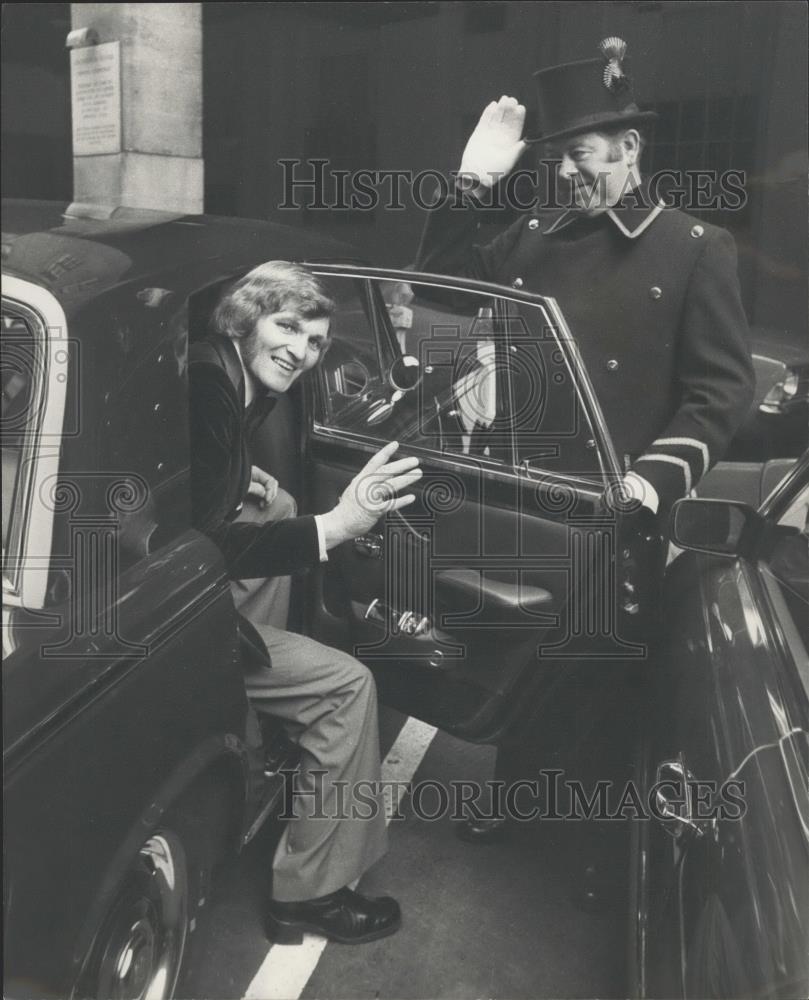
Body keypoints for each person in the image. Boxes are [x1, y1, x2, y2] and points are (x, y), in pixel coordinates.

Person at [415, 37, 755, 841]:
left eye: (579, 155)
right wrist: (470, 184)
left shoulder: (694, 249)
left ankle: (597, 848)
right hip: (528, 494)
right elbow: (437, 287)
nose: (565, 174)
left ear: (628, 149)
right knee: (518, 657)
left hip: (616, 503)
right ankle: (516, 800)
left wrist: (649, 482)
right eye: (553, 159)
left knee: (599, 676)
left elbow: (719, 393)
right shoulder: (533, 235)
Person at [189, 260, 422, 941]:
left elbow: (194, 478)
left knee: (279, 504)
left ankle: (251, 716)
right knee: (350, 686)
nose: (300, 350)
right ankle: (308, 896)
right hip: (179, 610)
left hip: (166, 580)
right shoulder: (210, 385)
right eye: (286, 326)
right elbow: (209, 550)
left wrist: (242, 479)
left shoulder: (219, 369)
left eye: (315, 340)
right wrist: (338, 527)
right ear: (243, 317)